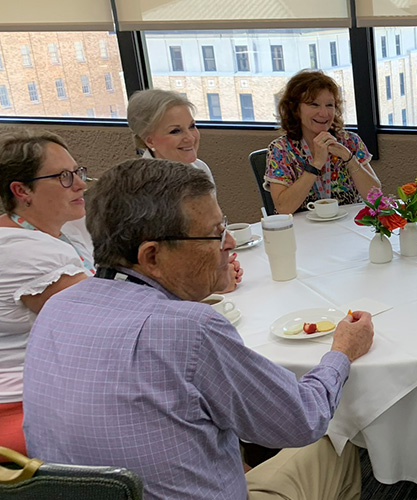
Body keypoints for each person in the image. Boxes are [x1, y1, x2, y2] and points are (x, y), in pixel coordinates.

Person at [23, 158, 375, 500]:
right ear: (152, 257)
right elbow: (302, 419)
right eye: (214, 235)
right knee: (337, 444)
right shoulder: (190, 329)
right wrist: (341, 352)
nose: (230, 244)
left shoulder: (57, 308)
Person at [0, 130, 94, 455]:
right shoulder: (25, 252)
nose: (81, 184)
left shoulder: (57, 234)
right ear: (22, 190)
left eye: (78, 172)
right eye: (65, 177)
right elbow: (106, 324)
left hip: (44, 391)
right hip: (23, 411)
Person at [127, 88, 242, 292]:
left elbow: (212, 235)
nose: (190, 137)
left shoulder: (200, 169)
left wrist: (223, 267)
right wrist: (210, 283)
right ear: (149, 140)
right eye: (175, 131)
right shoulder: (140, 190)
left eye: (192, 126)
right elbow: (153, 266)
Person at [265, 70, 381, 214]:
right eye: (314, 105)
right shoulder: (280, 149)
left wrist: (349, 159)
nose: (324, 113)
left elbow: (376, 197)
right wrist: (316, 164)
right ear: (295, 109)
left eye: (329, 105)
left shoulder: (350, 141)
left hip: (349, 227)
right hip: (304, 232)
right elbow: (283, 208)